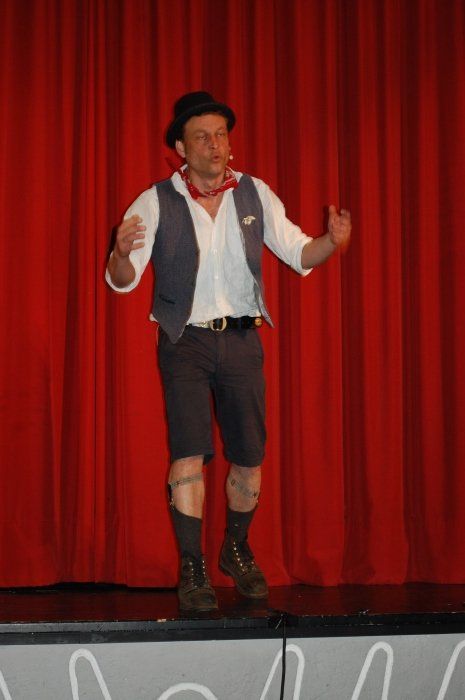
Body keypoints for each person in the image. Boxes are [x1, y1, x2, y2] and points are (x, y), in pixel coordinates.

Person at [106, 91, 351, 613]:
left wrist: (332, 242)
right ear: (181, 147)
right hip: (185, 340)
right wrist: (119, 253)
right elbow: (123, 280)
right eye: (202, 137)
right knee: (188, 452)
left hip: (242, 339)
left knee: (249, 457)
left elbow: (300, 252)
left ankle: (235, 548)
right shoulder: (155, 201)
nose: (215, 145)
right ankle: (192, 565)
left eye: (220, 135)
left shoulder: (255, 193)